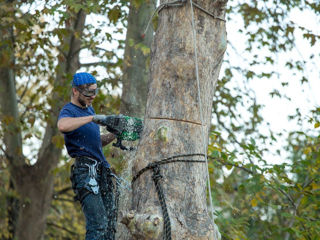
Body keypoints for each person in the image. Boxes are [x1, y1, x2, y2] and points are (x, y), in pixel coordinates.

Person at [57, 72, 117, 240]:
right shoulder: (69, 110)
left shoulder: (90, 109)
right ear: (75, 91)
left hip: (101, 171)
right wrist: (91, 118)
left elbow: (95, 142)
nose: (93, 96)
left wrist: (114, 134)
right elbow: (62, 125)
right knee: (98, 224)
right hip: (85, 172)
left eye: (95, 91)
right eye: (89, 93)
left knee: (110, 226)